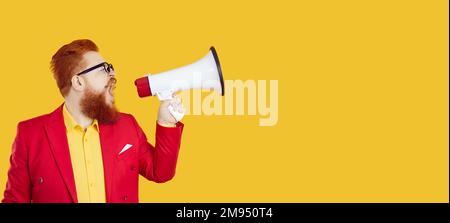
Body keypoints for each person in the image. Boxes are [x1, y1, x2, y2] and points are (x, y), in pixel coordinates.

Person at [2, 39, 185, 203]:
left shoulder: (127, 125)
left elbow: (161, 173)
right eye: (104, 69)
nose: (113, 75)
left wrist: (166, 122)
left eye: (111, 67)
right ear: (78, 82)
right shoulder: (30, 134)